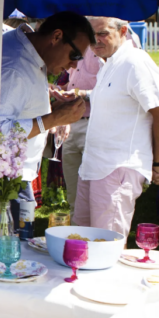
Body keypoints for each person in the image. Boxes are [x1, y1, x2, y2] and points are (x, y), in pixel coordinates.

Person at [0, 12, 92, 219]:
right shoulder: (14, 67)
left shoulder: (23, 43)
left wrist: (52, 111)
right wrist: (54, 119)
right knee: (7, 246)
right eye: (76, 56)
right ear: (56, 36)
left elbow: (12, 106)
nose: (74, 65)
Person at [74, 17, 159, 238]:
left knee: (106, 247)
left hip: (116, 169)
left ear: (123, 31)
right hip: (93, 167)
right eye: (90, 35)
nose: (95, 41)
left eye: (102, 33)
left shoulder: (136, 62)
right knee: (80, 242)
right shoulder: (109, 62)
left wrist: (158, 164)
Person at [60, 44, 102, 213]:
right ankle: (75, 233)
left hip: (94, 123)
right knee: (73, 188)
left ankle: (95, 233)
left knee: (96, 189)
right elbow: (72, 86)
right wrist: (58, 91)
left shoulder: (102, 49)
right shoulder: (75, 46)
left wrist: (79, 93)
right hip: (71, 121)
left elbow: (109, 91)